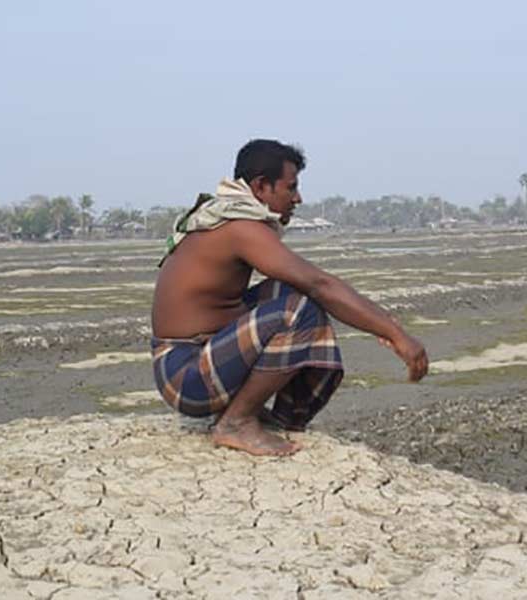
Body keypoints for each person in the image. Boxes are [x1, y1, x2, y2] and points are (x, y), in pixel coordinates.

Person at [151, 139, 428, 457]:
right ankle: (235, 424)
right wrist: (396, 335)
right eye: (290, 187)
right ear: (260, 186)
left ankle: (281, 418)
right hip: (185, 376)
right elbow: (319, 284)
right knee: (299, 310)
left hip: (203, 358)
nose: (297, 198)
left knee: (288, 293)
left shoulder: (229, 216)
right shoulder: (240, 227)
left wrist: (386, 322)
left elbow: (311, 284)